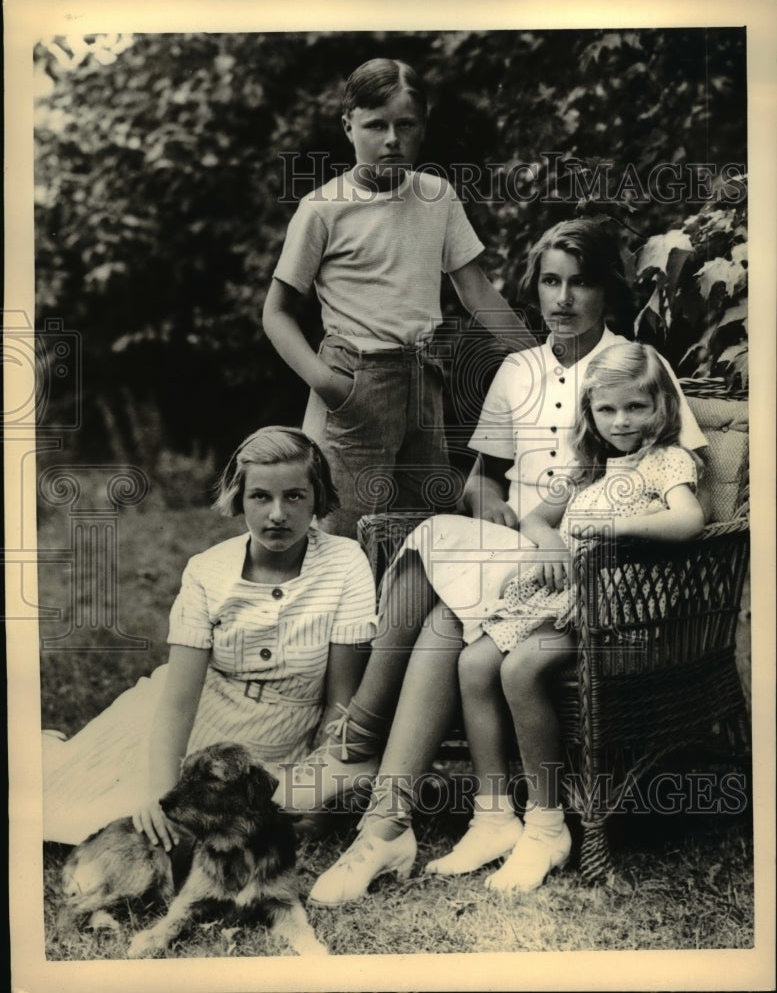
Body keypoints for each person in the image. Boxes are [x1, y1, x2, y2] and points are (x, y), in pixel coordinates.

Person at [282, 217, 708, 905]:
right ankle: (400, 807)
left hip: (585, 561)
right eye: (548, 282)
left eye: (580, 282)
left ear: (607, 292)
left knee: (435, 566)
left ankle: (369, 768)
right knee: (446, 546)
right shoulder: (517, 369)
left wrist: (558, 535)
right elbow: (483, 477)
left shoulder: (634, 366)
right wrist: (502, 517)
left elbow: (673, 470)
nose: (562, 298)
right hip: (520, 544)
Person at [424, 342, 706, 892]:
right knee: (474, 662)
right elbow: (534, 520)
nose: (621, 422)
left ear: (662, 408)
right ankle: (494, 816)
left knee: (518, 669)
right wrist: (550, 542)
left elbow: (690, 521)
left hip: (620, 610)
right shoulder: (588, 467)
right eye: (607, 410)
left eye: (636, 408)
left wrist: (617, 529)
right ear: (591, 415)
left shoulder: (667, 460)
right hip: (562, 597)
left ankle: (547, 825)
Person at [42, 427, 377, 849]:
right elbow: (180, 700)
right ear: (239, 498)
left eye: (294, 496)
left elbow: (340, 702)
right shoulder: (207, 570)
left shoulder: (345, 563)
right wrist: (161, 794)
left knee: (268, 828)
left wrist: (319, 793)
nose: (277, 513)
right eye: (260, 497)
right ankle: (48, 755)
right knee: (88, 815)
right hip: (196, 725)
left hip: (282, 741)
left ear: (317, 499)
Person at [262, 57, 533, 537]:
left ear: (423, 126)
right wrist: (328, 384)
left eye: (405, 125)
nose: (392, 139)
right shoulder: (323, 208)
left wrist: (541, 360)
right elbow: (276, 313)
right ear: (348, 127)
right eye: (376, 125)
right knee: (340, 541)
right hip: (353, 385)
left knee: (425, 542)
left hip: (423, 384)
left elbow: (477, 292)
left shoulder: (438, 197)